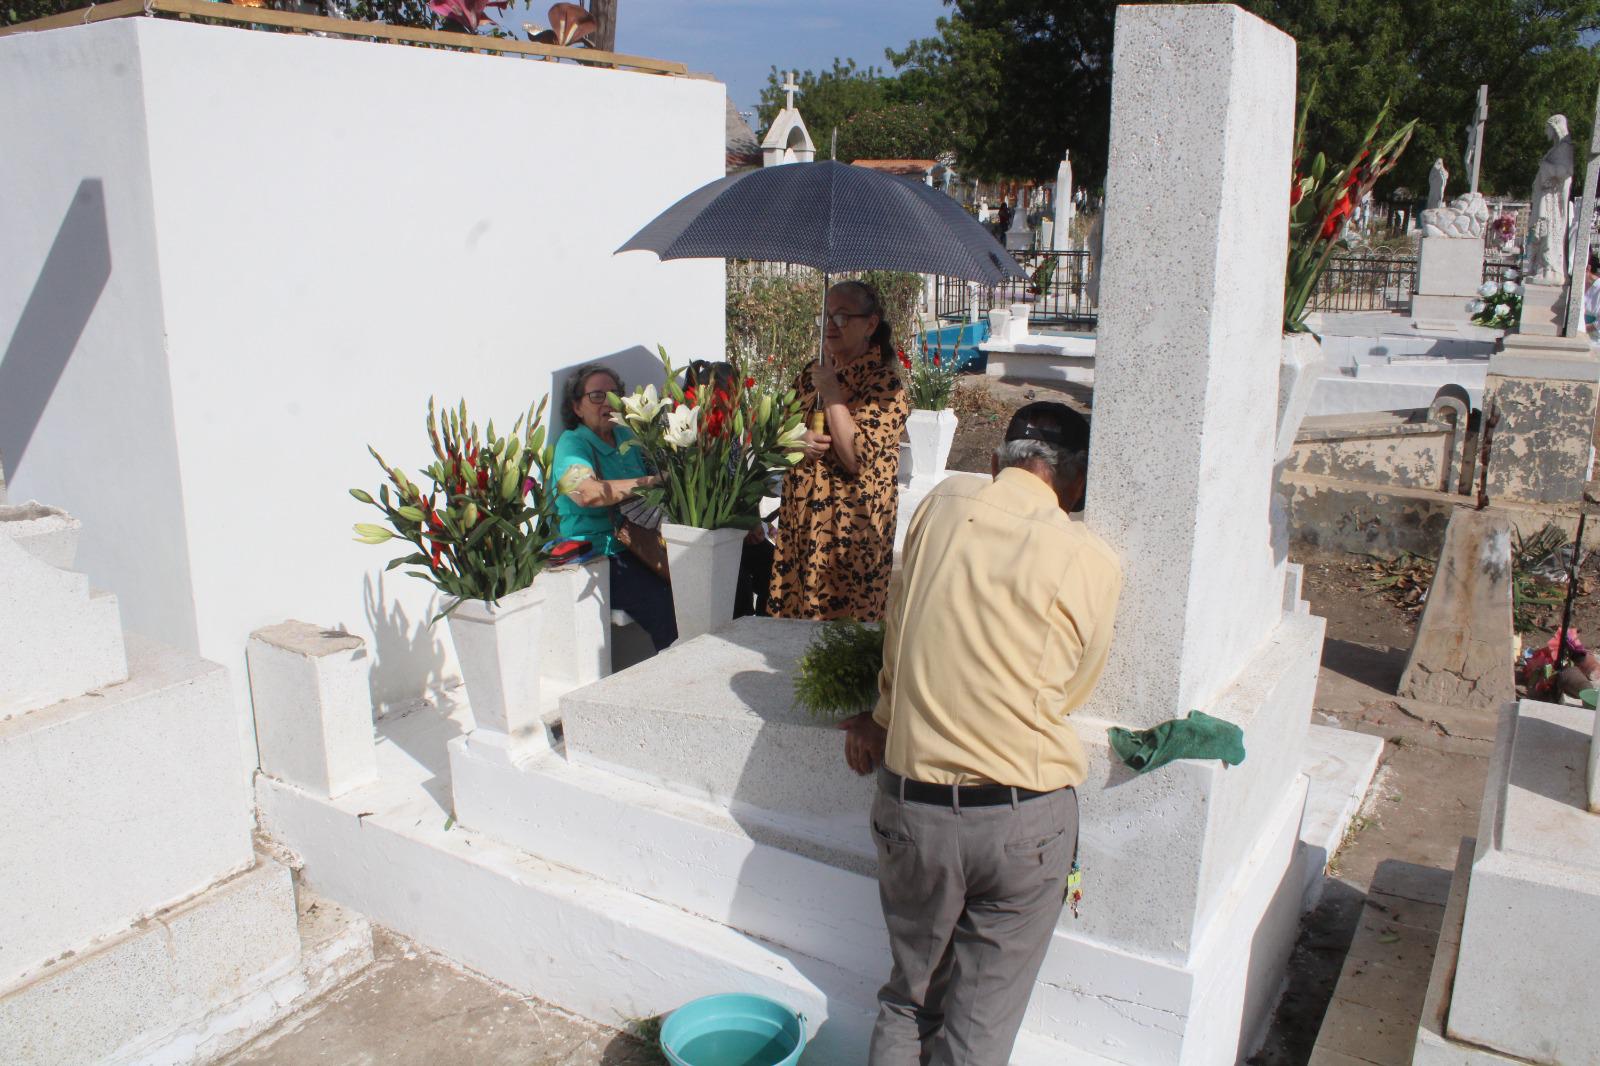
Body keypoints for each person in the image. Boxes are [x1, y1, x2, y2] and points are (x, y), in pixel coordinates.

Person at [838, 401, 1122, 1065]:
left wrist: (883, 718)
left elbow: (899, 630)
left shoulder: (942, 507)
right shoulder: (1091, 560)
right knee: (977, 1033)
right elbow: (1073, 689)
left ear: (996, 462)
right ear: (1075, 486)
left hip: (916, 811)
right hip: (1023, 822)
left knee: (908, 1000)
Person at [768, 280, 911, 621]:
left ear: (870, 324)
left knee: (841, 644)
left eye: (843, 317)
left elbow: (856, 457)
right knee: (790, 638)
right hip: (802, 528)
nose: (831, 326)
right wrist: (794, 439)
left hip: (849, 541)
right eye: (827, 316)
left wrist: (833, 394)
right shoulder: (810, 375)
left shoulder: (884, 386)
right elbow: (773, 433)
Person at [551, 363, 677, 652]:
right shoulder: (571, 445)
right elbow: (586, 494)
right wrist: (650, 482)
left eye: (614, 394)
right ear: (576, 407)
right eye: (596, 396)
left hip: (642, 545)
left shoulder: (626, 437)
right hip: (600, 554)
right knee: (666, 608)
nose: (608, 402)